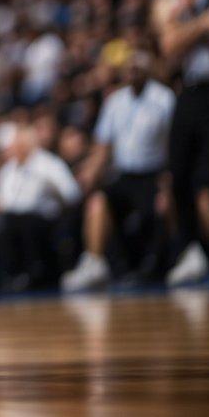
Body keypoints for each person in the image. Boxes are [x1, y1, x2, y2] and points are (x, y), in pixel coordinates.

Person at [63, 51, 175, 291]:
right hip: (125, 175)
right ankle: (94, 262)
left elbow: (173, 144)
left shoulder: (164, 98)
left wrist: (168, 180)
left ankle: (171, 259)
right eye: (130, 68)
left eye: (138, 68)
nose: (133, 72)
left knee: (161, 206)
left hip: (154, 173)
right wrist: (91, 172)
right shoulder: (116, 101)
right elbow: (104, 145)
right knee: (98, 201)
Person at [154, 0, 209, 286]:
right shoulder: (180, 15)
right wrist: (196, 24)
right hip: (186, 93)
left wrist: (187, 27)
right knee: (178, 175)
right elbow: (169, 47)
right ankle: (191, 250)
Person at [0, 124, 81, 291]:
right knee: (5, 224)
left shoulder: (49, 163)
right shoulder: (9, 169)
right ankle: (12, 275)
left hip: (45, 219)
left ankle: (36, 273)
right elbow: (1, 201)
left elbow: (72, 193)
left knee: (26, 223)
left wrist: (52, 187)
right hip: (15, 219)